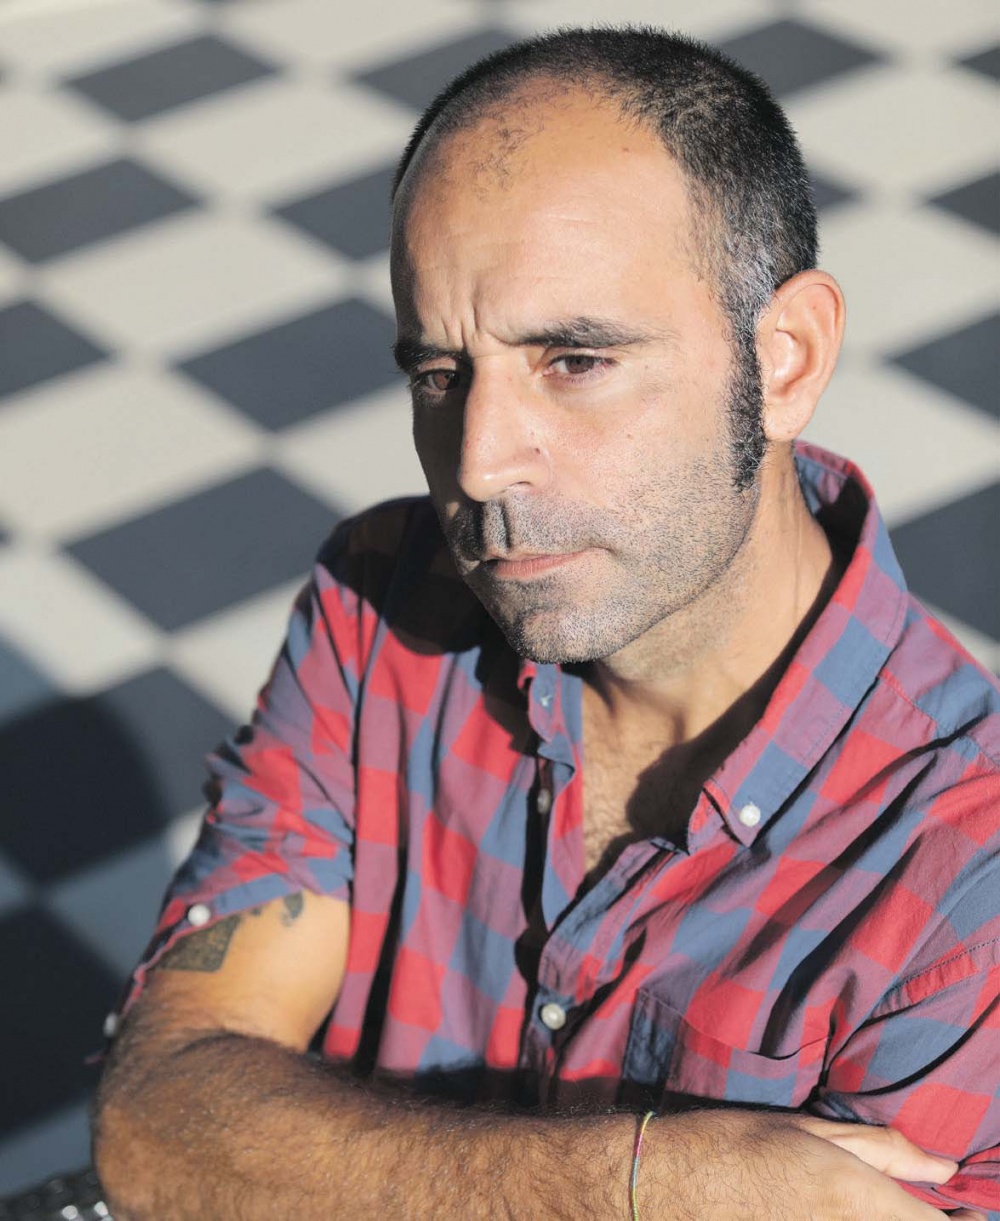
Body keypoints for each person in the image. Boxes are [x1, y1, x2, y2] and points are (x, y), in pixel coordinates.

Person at [92, 26, 999, 1220]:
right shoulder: (383, 602)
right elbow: (156, 1122)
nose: (477, 462)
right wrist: (639, 1184)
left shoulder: (964, 888)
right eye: (438, 373)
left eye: (573, 360)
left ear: (784, 360)